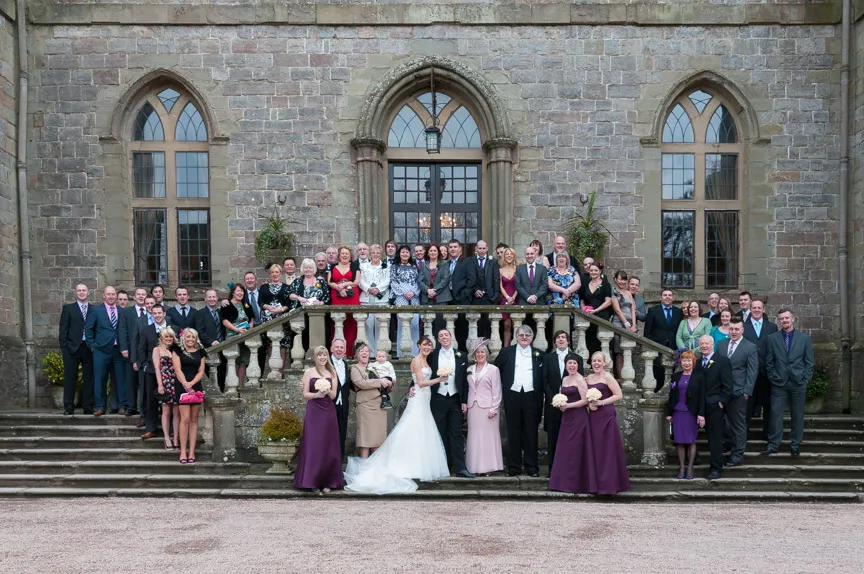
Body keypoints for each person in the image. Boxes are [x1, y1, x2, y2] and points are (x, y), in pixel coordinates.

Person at [343, 336, 450, 494]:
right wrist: (439, 379)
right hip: (419, 398)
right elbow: (420, 382)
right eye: (424, 345)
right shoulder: (416, 360)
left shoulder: (428, 361)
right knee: (411, 428)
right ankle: (402, 465)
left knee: (423, 431)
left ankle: (420, 465)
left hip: (425, 399)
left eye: (429, 345)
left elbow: (416, 382)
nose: (427, 348)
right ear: (418, 345)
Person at [762, 309, 814, 457]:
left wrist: (805, 379)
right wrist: (773, 377)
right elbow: (769, 361)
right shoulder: (773, 338)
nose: (784, 321)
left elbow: (809, 362)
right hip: (779, 382)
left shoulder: (804, 338)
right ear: (779, 321)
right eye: (781, 319)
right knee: (775, 414)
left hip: (798, 383)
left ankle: (795, 444)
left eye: (787, 318)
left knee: (797, 415)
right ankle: (773, 445)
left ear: (793, 319)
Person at [292, 346, 345, 494]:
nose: (322, 357)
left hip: (328, 410)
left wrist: (327, 391)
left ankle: (328, 482)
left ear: (327, 356)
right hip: (314, 409)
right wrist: (316, 395)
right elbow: (305, 394)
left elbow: (334, 395)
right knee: (313, 444)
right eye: (319, 355)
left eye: (324, 355)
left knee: (328, 445)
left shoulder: (332, 372)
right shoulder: (309, 372)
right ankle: (312, 482)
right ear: (315, 357)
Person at [494, 325, 543, 477]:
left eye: (528, 335)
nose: (524, 337)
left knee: (531, 432)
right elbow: (496, 370)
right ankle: (513, 467)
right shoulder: (506, 352)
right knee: (512, 432)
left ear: (532, 337)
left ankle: (531, 467)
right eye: (521, 335)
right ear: (516, 336)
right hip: (512, 396)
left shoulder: (540, 354)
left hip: (531, 397)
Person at [549, 353, 597, 494]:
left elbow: (585, 400)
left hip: (578, 417)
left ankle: (577, 484)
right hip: (566, 418)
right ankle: (563, 483)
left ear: (578, 366)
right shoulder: (564, 379)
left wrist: (568, 406)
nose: (571, 366)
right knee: (566, 449)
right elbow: (561, 394)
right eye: (569, 363)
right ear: (565, 365)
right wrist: (559, 403)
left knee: (576, 449)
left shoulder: (580, 379)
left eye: (574, 363)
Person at [428, 328, 472, 478]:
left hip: (455, 399)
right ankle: (443, 466)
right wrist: (413, 388)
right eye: (441, 336)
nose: (444, 337)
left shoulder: (462, 356)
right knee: (440, 433)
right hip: (438, 398)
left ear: (450, 337)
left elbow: (465, 382)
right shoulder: (432, 356)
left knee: (456, 433)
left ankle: (460, 468)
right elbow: (423, 373)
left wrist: (464, 401)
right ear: (438, 340)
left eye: (446, 335)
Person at [585, 351, 631, 494]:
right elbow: (585, 397)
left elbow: (619, 395)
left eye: (599, 360)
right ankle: (595, 484)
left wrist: (601, 402)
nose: (596, 363)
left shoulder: (608, 377)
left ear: (605, 363)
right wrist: (589, 405)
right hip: (593, 417)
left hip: (606, 416)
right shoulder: (588, 378)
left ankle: (609, 485)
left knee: (608, 449)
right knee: (595, 449)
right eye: (594, 361)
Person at [716, 317, 758, 467]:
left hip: (739, 392)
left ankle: (737, 456)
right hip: (722, 392)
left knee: (738, 425)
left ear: (742, 330)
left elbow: (752, 372)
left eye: (736, 329)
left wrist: (747, 392)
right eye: (731, 329)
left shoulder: (750, 347)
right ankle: (728, 448)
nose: (733, 332)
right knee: (725, 425)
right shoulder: (721, 345)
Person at [541, 330, 583, 475]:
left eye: (563, 337)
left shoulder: (577, 358)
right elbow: (544, 380)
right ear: (554, 341)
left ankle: (569, 470)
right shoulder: (547, 358)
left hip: (571, 405)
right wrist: (554, 399)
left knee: (570, 438)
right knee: (553, 437)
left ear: (568, 341)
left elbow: (581, 379)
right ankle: (553, 470)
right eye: (558, 337)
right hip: (553, 405)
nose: (560, 340)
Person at [85, 285, 129, 416]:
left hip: (118, 350)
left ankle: (122, 405)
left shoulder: (122, 311)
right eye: (108, 294)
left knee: (121, 379)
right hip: (101, 350)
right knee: (100, 379)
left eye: (113, 294)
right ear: (104, 296)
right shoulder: (96, 310)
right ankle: (100, 406)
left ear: (116, 296)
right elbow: (88, 329)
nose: (111, 296)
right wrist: (92, 345)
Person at [695, 335, 733, 479]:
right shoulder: (697, 363)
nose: (704, 346)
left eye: (707, 343)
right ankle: (692, 461)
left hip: (714, 406)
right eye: (702, 343)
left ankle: (716, 468)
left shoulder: (722, 361)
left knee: (715, 439)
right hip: (698, 406)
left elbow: (728, 385)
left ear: (712, 345)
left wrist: (722, 401)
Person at [465, 338, 504, 476]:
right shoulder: (469, 369)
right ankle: (474, 466)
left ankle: (488, 467)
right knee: (474, 436)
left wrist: (494, 408)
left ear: (486, 354)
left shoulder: (493, 369)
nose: (480, 354)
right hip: (473, 407)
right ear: (474, 355)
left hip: (488, 408)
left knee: (488, 437)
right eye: (478, 352)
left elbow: (497, 390)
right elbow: (467, 388)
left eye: (482, 352)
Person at [665, 350, 705, 480]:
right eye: (684, 360)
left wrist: (701, 414)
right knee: (680, 441)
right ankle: (682, 467)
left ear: (693, 362)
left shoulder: (699, 376)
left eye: (689, 360)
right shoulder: (676, 376)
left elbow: (702, 397)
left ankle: (690, 467)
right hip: (678, 412)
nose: (686, 363)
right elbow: (672, 395)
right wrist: (669, 413)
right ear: (680, 362)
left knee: (691, 440)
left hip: (691, 413)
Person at [350, 342, 393, 458]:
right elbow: (361, 383)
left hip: (379, 405)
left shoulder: (375, 367)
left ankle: (375, 467)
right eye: (361, 351)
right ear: (357, 354)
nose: (365, 353)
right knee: (365, 437)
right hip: (365, 405)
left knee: (377, 437)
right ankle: (364, 467)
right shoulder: (355, 368)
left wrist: (389, 383)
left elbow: (385, 384)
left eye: (367, 351)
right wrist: (380, 382)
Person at [743, 298, 779, 438]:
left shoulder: (772, 327)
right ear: (750, 310)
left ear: (764, 310)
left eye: (759, 308)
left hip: (766, 372)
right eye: (754, 308)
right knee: (747, 405)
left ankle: (767, 432)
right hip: (748, 372)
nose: (756, 310)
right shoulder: (743, 327)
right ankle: (744, 432)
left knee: (768, 404)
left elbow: (775, 349)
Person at [137, 304, 173, 439]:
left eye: (160, 313)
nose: (157, 315)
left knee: (171, 400)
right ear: (152, 315)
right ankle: (151, 429)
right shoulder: (147, 330)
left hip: (169, 371)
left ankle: (171, 429)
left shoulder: (172, 329)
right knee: (150, 400)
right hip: (151, 370)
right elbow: (141, 349)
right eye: (155, 313)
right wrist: (145, 365)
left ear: (164, 313)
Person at [172, 328, 207, 464]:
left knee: (194, 419)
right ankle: (182, 452)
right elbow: (177, 369)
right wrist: (187, 385)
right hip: (182, 386)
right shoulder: (177, 350)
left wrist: (192, 384)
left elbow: (201, 371)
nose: (191, 340)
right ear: (183, 338)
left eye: (193, 337)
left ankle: (191, 452)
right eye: (188, 337)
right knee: (185, 419)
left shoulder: (201, 351)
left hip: (196, 386)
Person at [58, 283, 94, 415]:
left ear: (88, 292)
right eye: (79, 290)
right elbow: (63, 330)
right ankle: (68, 406)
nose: (81, 292)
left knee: (89, 377)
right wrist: (64, 349)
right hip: (72, 348)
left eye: (84, 290)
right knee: (70, 377)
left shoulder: (93, 309)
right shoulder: (68, 308)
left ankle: (88, 406)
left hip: (88, 347)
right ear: (75, 293)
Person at [644, 289, 684, 392]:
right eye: (665, 295)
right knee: (657, 372)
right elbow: (647, 331)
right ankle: (657, 392)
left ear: (673, 298)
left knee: (672, 372)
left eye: (670, 295)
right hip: (657, 347)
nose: (667, 297)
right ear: (660, 297)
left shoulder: (678, 312)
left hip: (673, 347)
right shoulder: (653, 310)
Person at [118, 287, 149, 418]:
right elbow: (122, 330)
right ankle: (131, 407)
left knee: (145, 382)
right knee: (130, 380)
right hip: (131, 351)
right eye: (138, 294)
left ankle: (145, 408)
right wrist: (124, 348)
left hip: (146, 353)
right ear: (134, 297)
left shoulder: (152, 312)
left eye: (143, 295)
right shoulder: (126, 312)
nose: (141, 296)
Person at [328, 246, 361, 357]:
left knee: (352, 323)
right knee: (337, 322)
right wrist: (339, 288)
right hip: (337, 297)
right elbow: (330, 281)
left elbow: (356, 282)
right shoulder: (333, 267)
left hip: (352, 297)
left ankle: (350, 353)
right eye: (342, 253)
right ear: (339, 255)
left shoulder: (355, 266)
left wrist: (345, 285)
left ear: (350, 255)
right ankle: (337, 352)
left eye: (347, 253)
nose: (345, 255)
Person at [220, 284, 255, 387]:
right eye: (238, 291)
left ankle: (240, 385)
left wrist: (249, 329)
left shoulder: (247, 304)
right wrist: (237, 330)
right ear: (233, 292)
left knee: (243, 361)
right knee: (233, 361)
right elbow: (224, 321)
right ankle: (232, 386)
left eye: (242, 291)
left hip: (245, 336)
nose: (240, 293)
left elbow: (252, 319)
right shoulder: (227, 305)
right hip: (232, 335)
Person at [359, 244, 391, 352]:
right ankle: (370, 352)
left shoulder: (386, 266)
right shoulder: (364, 266)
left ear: (380, 254)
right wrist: (369, 288)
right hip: (367, 298)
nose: (375, 255)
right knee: (368, 325)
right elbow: (361, 281)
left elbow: (387, 280)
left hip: (381, 299)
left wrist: (377, 288)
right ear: (370, 254)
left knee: (381, 325)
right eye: (373, 253)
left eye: (378, 253)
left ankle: (380, 351)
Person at [153, 327, 181, 450]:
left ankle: (175, 438)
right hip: (165, 382)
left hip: (176, 382)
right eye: (166, 337)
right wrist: (160, 384)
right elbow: (157, 369)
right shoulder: (157, 350)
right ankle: (166, 438)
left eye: (171, 336)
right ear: (162, 338)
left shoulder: (177, 349)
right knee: (166, 411)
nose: (169, 339)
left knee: (176, 412)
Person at [390, 245, 420, 358]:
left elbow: (419, 281)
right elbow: (393, 282)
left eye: (407, 252)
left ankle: (415, 353)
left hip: (414, 297)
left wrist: (413, 292)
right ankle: (401, 353)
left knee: (414, 324)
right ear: (399, 253)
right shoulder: (395, 266)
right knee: (402, 324)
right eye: (403, 252)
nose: (405, 254)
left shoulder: (414, 266)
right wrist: (404, 292)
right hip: (401, 297)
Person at [466, 239, 500, 338]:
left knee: (490, 326)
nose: (481, 250)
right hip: (476, 299)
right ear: (476, 249)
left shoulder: (493, 261)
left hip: (490, 298)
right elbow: (469, 278)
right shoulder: (471, 261)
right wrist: (474, 290)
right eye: (479, 248)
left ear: (487, 249)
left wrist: (495, 297)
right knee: (477, 326)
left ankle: (489, 349)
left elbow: (496, 279)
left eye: (483, 248)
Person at [194, 288, 226, 389]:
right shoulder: (200, 313)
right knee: (210, 372)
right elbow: (200, 331)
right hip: (208, 348)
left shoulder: (221, 312)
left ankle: (221, 391)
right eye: (209, 297)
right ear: (205, 299)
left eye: (214, 297)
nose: (212, 299)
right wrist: (211, 342)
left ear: (217, 298)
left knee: (222, 371)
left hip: (222, 346)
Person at [419, 243, 451, 337]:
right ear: (428, 253)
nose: (433, 252)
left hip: (441, 299)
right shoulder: (424, 264)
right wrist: (427, 290)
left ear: (438, 253)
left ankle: (438, 348)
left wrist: (434, 290)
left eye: (435, 250)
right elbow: (419, 280)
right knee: (427, 326)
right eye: (431, 251)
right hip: (427, 299)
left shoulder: (444, 264)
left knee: (440, 325)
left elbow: (445, 280)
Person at [579, 263, 612, 355]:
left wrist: (596, 310)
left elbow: (608, 301)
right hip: (589, 315)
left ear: (600, 271)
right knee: (590, 338)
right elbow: (582, 299)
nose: (593, 272)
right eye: (591, 270)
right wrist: (583, 310)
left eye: (596, 270)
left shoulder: (605, 284)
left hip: (602, 314)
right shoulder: (585, 284)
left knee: (602, 339)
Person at [329, 338, 350, 459]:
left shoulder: (346, 365)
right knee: (329, 435)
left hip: (343, 405)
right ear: (331, 349)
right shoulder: (326, 364)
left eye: (341, 347)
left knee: (341, 434)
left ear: (345, 350)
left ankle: (339, 464)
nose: (339, 349)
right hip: (329, 404)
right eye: (337, 347)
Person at [498, 247, 518, 347]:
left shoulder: (518, 269)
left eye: (511, 254)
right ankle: (506, 347)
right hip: (504, 298)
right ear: (504, 256)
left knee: (516, 324)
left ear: (514, 256)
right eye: (507, 254)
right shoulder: (500, 270)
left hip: (516, 298)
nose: (509, 256)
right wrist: (507, 297)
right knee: (507, 325)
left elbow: (519, 285)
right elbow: (500, 285)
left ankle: (516, 346)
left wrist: (513, 297)